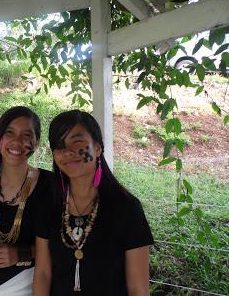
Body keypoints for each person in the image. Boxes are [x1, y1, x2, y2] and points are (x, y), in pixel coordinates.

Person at [34, 110, 154, 296]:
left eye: (77, 141)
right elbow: (43, 274)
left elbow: (138, 289)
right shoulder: (49, 205)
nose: (68, 152)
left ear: (97, 147)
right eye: (59, 145)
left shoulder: (127, 209)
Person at [0, 106, 54, 296]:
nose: (17, 141)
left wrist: (20, 254)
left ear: (36, 142)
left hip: (34, 286)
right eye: (9, 132)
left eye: (26, 135)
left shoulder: (49, 185)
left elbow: (62, 246)